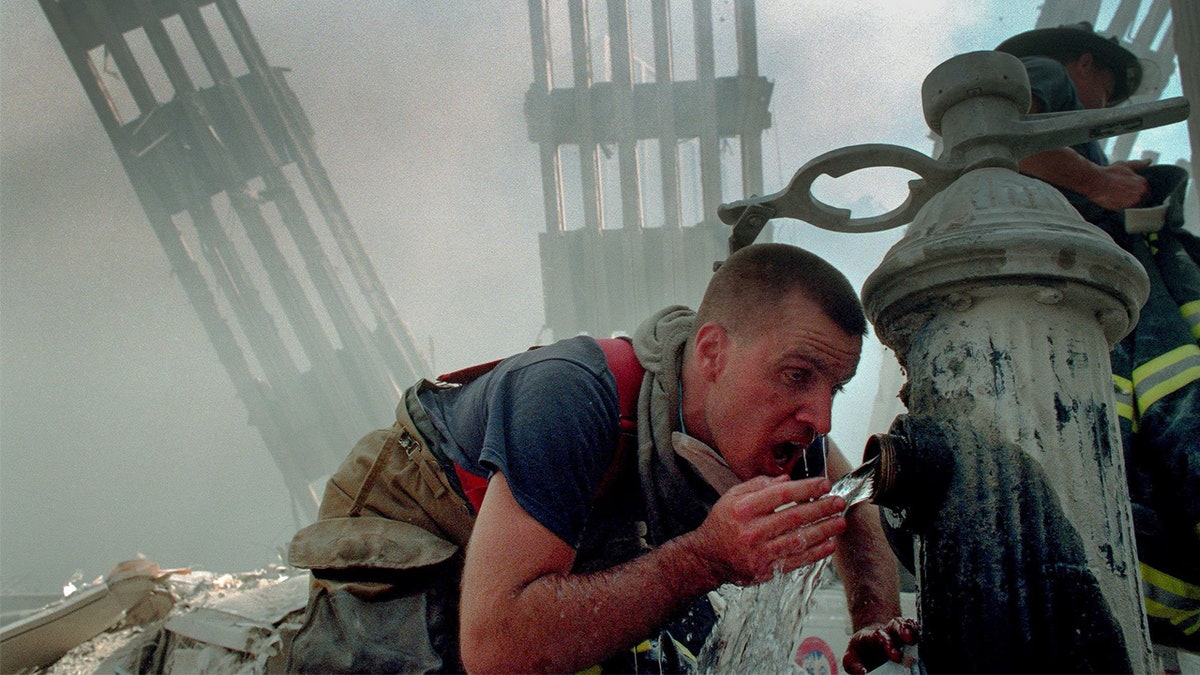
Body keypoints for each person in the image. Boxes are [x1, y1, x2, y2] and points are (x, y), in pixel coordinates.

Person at [285, 242, 918, 673]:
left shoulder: (787, 433)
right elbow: (496, 651)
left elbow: (853, 506)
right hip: (420, 503)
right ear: (712, 354)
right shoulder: (571, 397)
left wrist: (874, 617)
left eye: (832, 388)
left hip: (552, 541)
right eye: (798, 374)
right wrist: (703, 558)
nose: (822, 417)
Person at [996, 23, 1200, 652]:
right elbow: (1006, 144)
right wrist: (1103, 185)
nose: (1106, 113)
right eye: (1106, 92)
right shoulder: (1045, 74)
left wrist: (1106, 178)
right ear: (1082, 62)